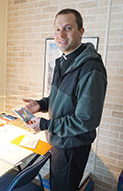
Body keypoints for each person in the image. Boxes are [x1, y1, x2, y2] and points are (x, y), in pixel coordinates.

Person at [23, 8, 107, 191]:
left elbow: (86, 120)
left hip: (72, 146)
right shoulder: (62, 61)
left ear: (81, 31)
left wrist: (45, 125)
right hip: (59, 140)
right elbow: (57, 97)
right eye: (57, 29)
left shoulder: (91, 69)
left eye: (68, 28)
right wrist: (41, 104)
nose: (61, 34)